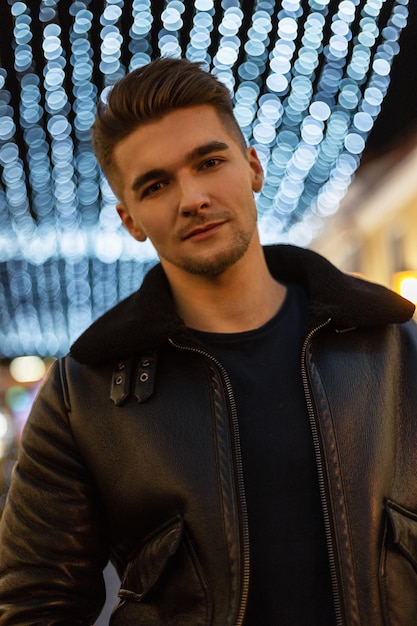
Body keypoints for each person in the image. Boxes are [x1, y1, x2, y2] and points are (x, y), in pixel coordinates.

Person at [0, 57, 416, 626]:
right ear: (130, 219)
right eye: (156, 184)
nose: (191, 197)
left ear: (253, 167)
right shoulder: (87, 395)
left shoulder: (398, 353)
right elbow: (32, 601)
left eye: (209, 161)